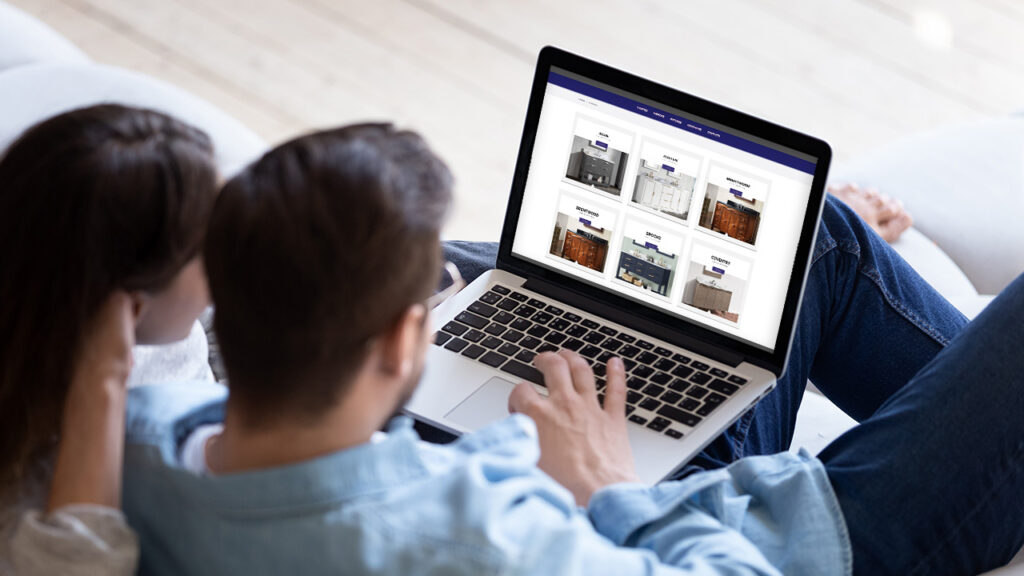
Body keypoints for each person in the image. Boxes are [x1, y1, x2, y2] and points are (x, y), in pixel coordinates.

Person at [122, 124, 1024, 576]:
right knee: (824, 249)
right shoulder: (482, 541)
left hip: (599, 465)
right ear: (407, 338)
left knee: (810, 243)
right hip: (801, 532)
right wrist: (604, 485)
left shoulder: (140, 445)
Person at [0, 105, 218, 575]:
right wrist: (102, 383)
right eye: (207, 249)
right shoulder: (24, 472)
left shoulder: (174, 342)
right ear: (129, 302)